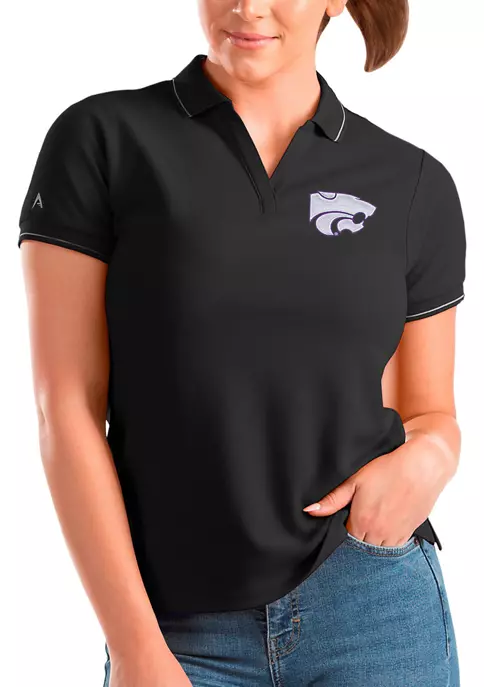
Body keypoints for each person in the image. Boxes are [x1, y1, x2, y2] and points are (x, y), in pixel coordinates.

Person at [17, 0, 466, 685]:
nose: (248, 7)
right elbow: (66, 408)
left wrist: (432, 458)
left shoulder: (412, 183)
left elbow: (429, 412)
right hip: (177, 627)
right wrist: (135, 647)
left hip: (373, 601)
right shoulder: (102, 140)